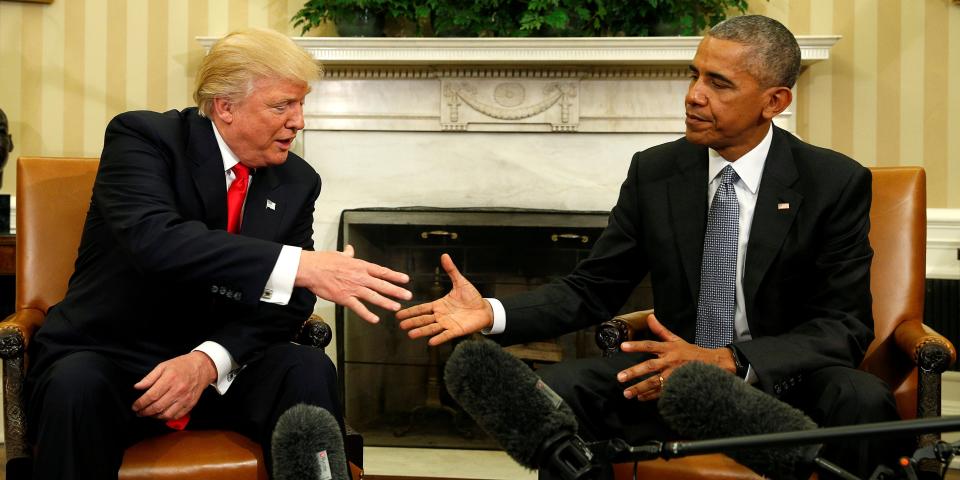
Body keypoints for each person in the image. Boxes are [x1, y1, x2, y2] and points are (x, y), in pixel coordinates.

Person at [397, 15, 903, 478]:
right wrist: (492, 311)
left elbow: (843, 326)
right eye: (694, 74)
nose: (693, 95)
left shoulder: (831, 182)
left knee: (860, 399)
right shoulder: (656, 172)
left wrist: (731, 358)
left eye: (718, 83)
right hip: (668, 377)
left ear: (774, 102)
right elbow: (593, 287)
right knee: (565, 393)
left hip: (782, 380)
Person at [24, 28, 411, 480]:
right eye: (282, 105)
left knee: (305, 366)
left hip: (221, 370)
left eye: (302, 104)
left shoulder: (297, 180)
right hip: (115, 357)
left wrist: (209, 361)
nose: (299, 121)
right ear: (225, 107)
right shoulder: (144, 139)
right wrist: (300, 264)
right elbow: (158, 242)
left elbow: (290, 302)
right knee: (75, 385)